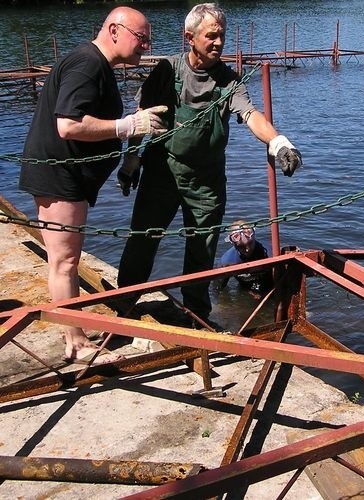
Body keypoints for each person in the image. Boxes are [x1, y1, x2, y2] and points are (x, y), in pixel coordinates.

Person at [116, 3, 302, 326]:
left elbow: (251, 115)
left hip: (206, 183)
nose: (218, 43)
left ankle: (195, 318)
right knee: (143, 240)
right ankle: (122, 303)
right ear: (190, 37)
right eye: (211, 36)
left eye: (222, 36)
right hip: (162, 173)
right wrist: (131, 161)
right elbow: (142, 119)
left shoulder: (228, 81)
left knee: (201, 253)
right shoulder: (168, 71)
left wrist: (279, 142)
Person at [18, 7, 168, 364]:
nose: (146, 46)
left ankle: (74, 335)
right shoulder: (87, 63)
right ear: (115, 30)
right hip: (60, 177)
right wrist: (128, 126)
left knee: (64, 259)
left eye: (148, 39)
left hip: (65, 176)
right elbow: (68, 125)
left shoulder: (95, 63)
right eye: (141, 37)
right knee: (65, 261)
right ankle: (76, 341)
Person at [216, 220, 274, 297]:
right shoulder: (227, 262)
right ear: (232, 243)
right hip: (245, 291)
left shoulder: (271, 253)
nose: (247, 250)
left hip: (271, 289)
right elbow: (218, 289)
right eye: (241, 247)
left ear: (254, 236)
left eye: (250, 244)